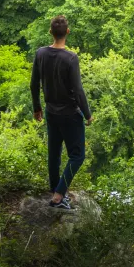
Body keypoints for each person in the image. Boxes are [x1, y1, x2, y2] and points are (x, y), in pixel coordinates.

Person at [30, 14, 93, 210]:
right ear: (67, 32)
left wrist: (37, 108)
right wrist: (88, 114)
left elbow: (34, 84)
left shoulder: (40, 53)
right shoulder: (71, 58)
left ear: (51, 32)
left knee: (54, 152)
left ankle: (55, 189)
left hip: (51, 111)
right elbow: (78, 90)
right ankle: (58, 195)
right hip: (70, 114)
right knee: (78, 156)